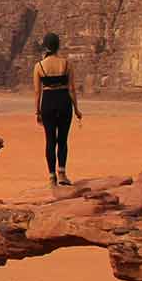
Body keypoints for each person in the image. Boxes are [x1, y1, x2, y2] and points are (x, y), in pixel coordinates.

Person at [32, 32, 81, 188]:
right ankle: (62, 174)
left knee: (50, 141)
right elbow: (72, 89)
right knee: (63, 140)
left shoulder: (39, 66)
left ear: (45, 46)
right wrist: (77, 109)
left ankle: (51, 177)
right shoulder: (67, 64)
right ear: (58, 46)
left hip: (48, 103)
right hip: (64, 102)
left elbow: (37, 92)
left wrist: (37, 112)